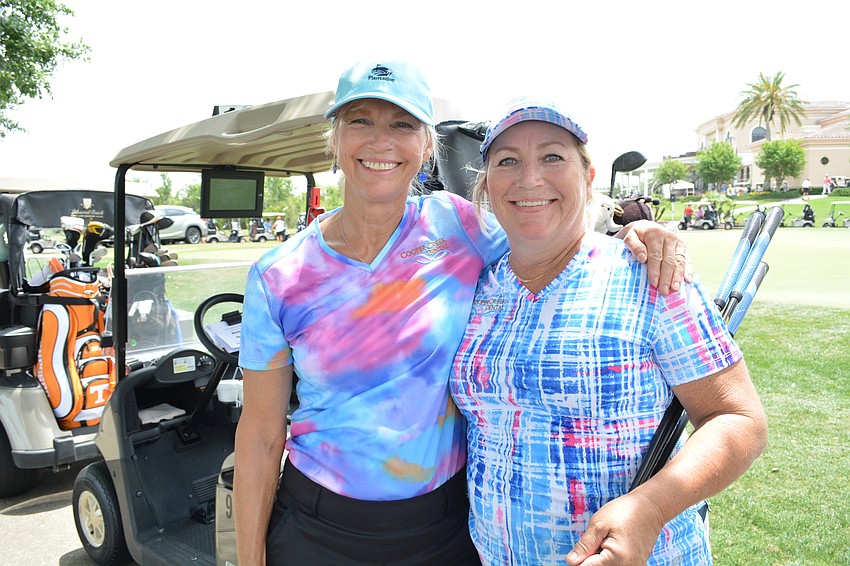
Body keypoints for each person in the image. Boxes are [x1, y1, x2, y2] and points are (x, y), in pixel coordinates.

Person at [235, 62, 690, 565]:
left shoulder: (457, 224)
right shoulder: (279, 274)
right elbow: (259, 434)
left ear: (427, 146)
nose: (381, 141)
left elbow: (549, 237)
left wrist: (634, 234)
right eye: (360, 121)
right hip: (318, 527)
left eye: (403, 125)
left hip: (444, 526)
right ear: (335, 141)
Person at [450, 98, 768, 565]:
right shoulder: (473, 285)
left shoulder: (650, 274)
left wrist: (650, 507)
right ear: (486, 185)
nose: (530, 178)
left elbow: (738, 419)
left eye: (553, 156)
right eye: (508, 161)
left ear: (589, 177)